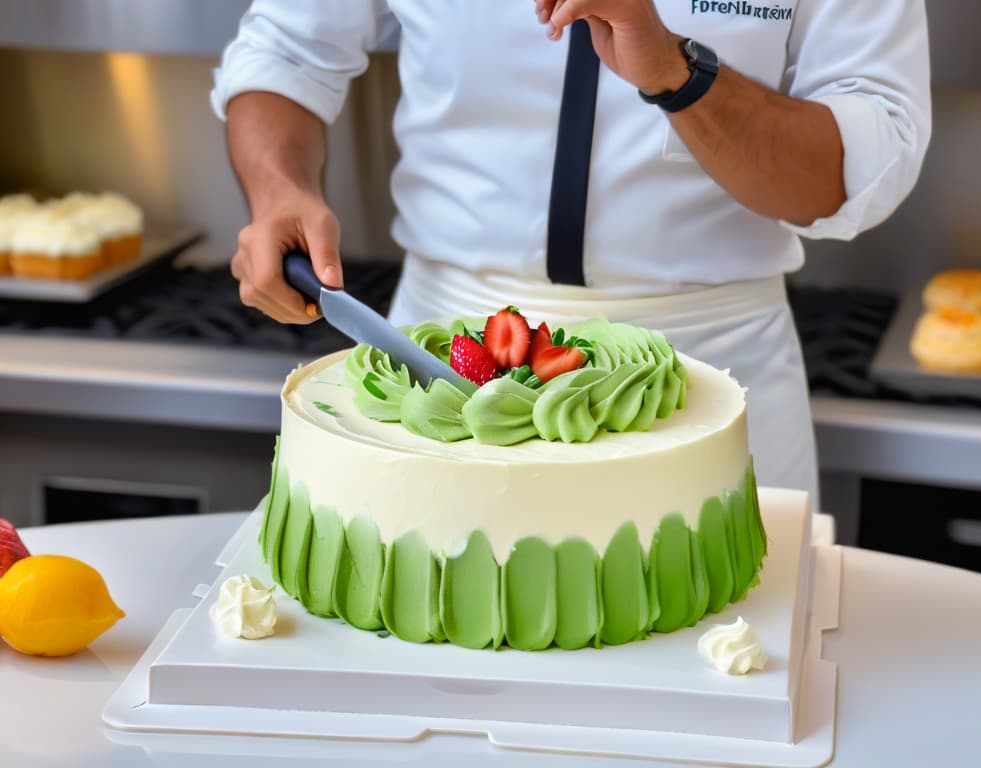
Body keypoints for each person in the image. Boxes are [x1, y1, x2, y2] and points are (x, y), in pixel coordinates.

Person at [211, 0, 931, 508]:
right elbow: (287, 48)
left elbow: (856, 171)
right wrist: (278, 190)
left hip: (715, 367)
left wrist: (679, 74)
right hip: (441, 361)